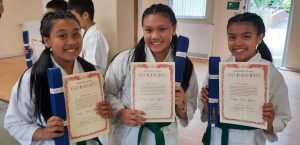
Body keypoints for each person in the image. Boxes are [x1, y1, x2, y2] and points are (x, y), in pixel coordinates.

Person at [4, 11, 112, 145]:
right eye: (62, 36)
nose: (72, 41)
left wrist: (105, 110)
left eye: (76, 34)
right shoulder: (33, 78)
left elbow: (102, 110)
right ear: (47, 41)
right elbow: (13, 123)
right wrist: (44, 133)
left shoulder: (92, 72)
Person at [104, 4, 199, 145]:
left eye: (162, 29)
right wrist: (121, 112)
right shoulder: (125, 59)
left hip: (165, 136)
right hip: (130, 134)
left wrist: (181, 104)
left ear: (173, 28)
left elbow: (190, 104)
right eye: (148, 30)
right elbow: (107, 93)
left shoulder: (184, 66)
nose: (155, 36)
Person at [199, 12, 292, 145]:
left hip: (249, 139)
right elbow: (206, 110)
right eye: (232, 37)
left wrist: (270, 122)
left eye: (246, 36)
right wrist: (207, 104)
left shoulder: (271, 73)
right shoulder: (217, 68)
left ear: (259, 38)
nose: (238, 43)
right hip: (217, 137)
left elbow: (283, 116)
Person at [67, 0, 109, 74]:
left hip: (91, 81)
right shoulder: (85, 34)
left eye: (73, 17)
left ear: (85, 15)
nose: (71, 21)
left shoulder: (95, 36)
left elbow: (92, 69)